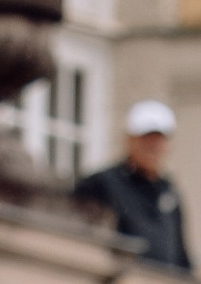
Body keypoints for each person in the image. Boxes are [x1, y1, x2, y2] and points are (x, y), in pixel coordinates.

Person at [72, 100, 193, 269]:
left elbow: (181, 254)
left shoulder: (169, 192)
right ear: (129, 140)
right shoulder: (101, 183)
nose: (153, 147)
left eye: (158, 140)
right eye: (146, 139)